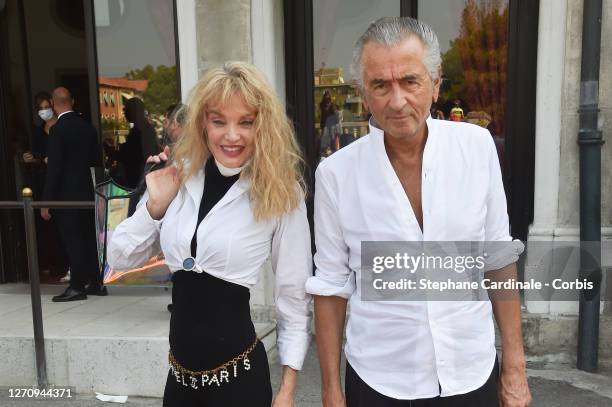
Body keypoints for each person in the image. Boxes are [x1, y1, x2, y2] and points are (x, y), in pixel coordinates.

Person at [306, 17, 532, 406]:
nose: (396, 101)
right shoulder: (336, 174)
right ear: (363, 91)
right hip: (380, 378)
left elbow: (498, 257)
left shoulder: (477, 148)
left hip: (470, 371)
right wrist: (331, 391)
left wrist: (514, 367)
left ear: (435, 82)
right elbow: (330, 286)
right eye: (380, 85)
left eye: (410, 81)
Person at [108, 61, 312, 406]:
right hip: (179, 380)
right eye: (219, 121)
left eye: (245, 122)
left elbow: (293, 297)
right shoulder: (178, 176)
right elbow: (119, 258)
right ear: (203, 122)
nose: (231, 136)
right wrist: (152, 207)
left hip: (240, 382)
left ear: (263, 126)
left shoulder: (281, 192)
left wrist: (287, 390)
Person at [43, 87, 105, 302]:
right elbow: (97, 161)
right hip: (86, 190)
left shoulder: (57, 130)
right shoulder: (88, 128)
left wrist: (46, 202)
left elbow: (55, 169)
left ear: (53, 103)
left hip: (65, 195)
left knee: (73, 240)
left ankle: (77, 285)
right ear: (72, 101)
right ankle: (96, 282)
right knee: (88, 238)